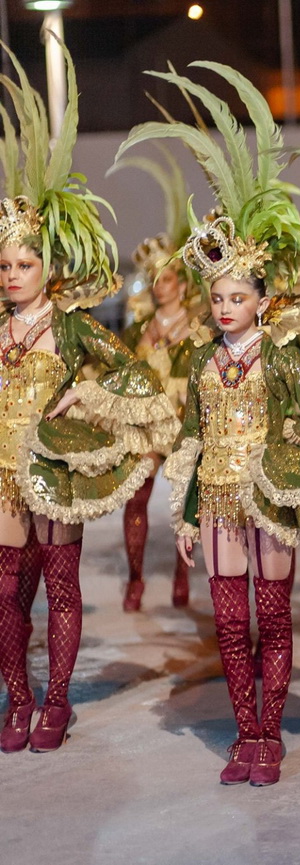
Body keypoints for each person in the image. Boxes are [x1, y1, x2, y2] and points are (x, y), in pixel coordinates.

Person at [121, 61, 300, 785]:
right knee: (229, 622)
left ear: (261, 299)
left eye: (238, 297)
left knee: (273, 617)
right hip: (220, 501)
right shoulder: (200, 359)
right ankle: (245, 732)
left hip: (270, 498)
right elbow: (192, 439)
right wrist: (187, 512)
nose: (226, 307)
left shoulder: (282, 359)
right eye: (218, 297)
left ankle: (272, 733)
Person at [0, 43, 179, 753]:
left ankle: (56, 701)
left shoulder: (73, 327)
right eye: (5, 264)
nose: (13, 274)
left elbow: (138, 378)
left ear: (49, 266)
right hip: (3, 475)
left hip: (56, 472)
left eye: (24, 263)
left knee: (63, 590)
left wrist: (84, 393)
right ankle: (18, 698)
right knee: (8, 595)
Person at [113, 148, 202, 611]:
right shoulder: (138, 329)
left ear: (183, 284)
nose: (159, 285)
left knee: (184, 501)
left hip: (185, 422)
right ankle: (135, 578)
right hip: (149, 424)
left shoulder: (199, 327)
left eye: (167, 278)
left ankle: (181, 576)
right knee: (137, 496)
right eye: (155, 278)